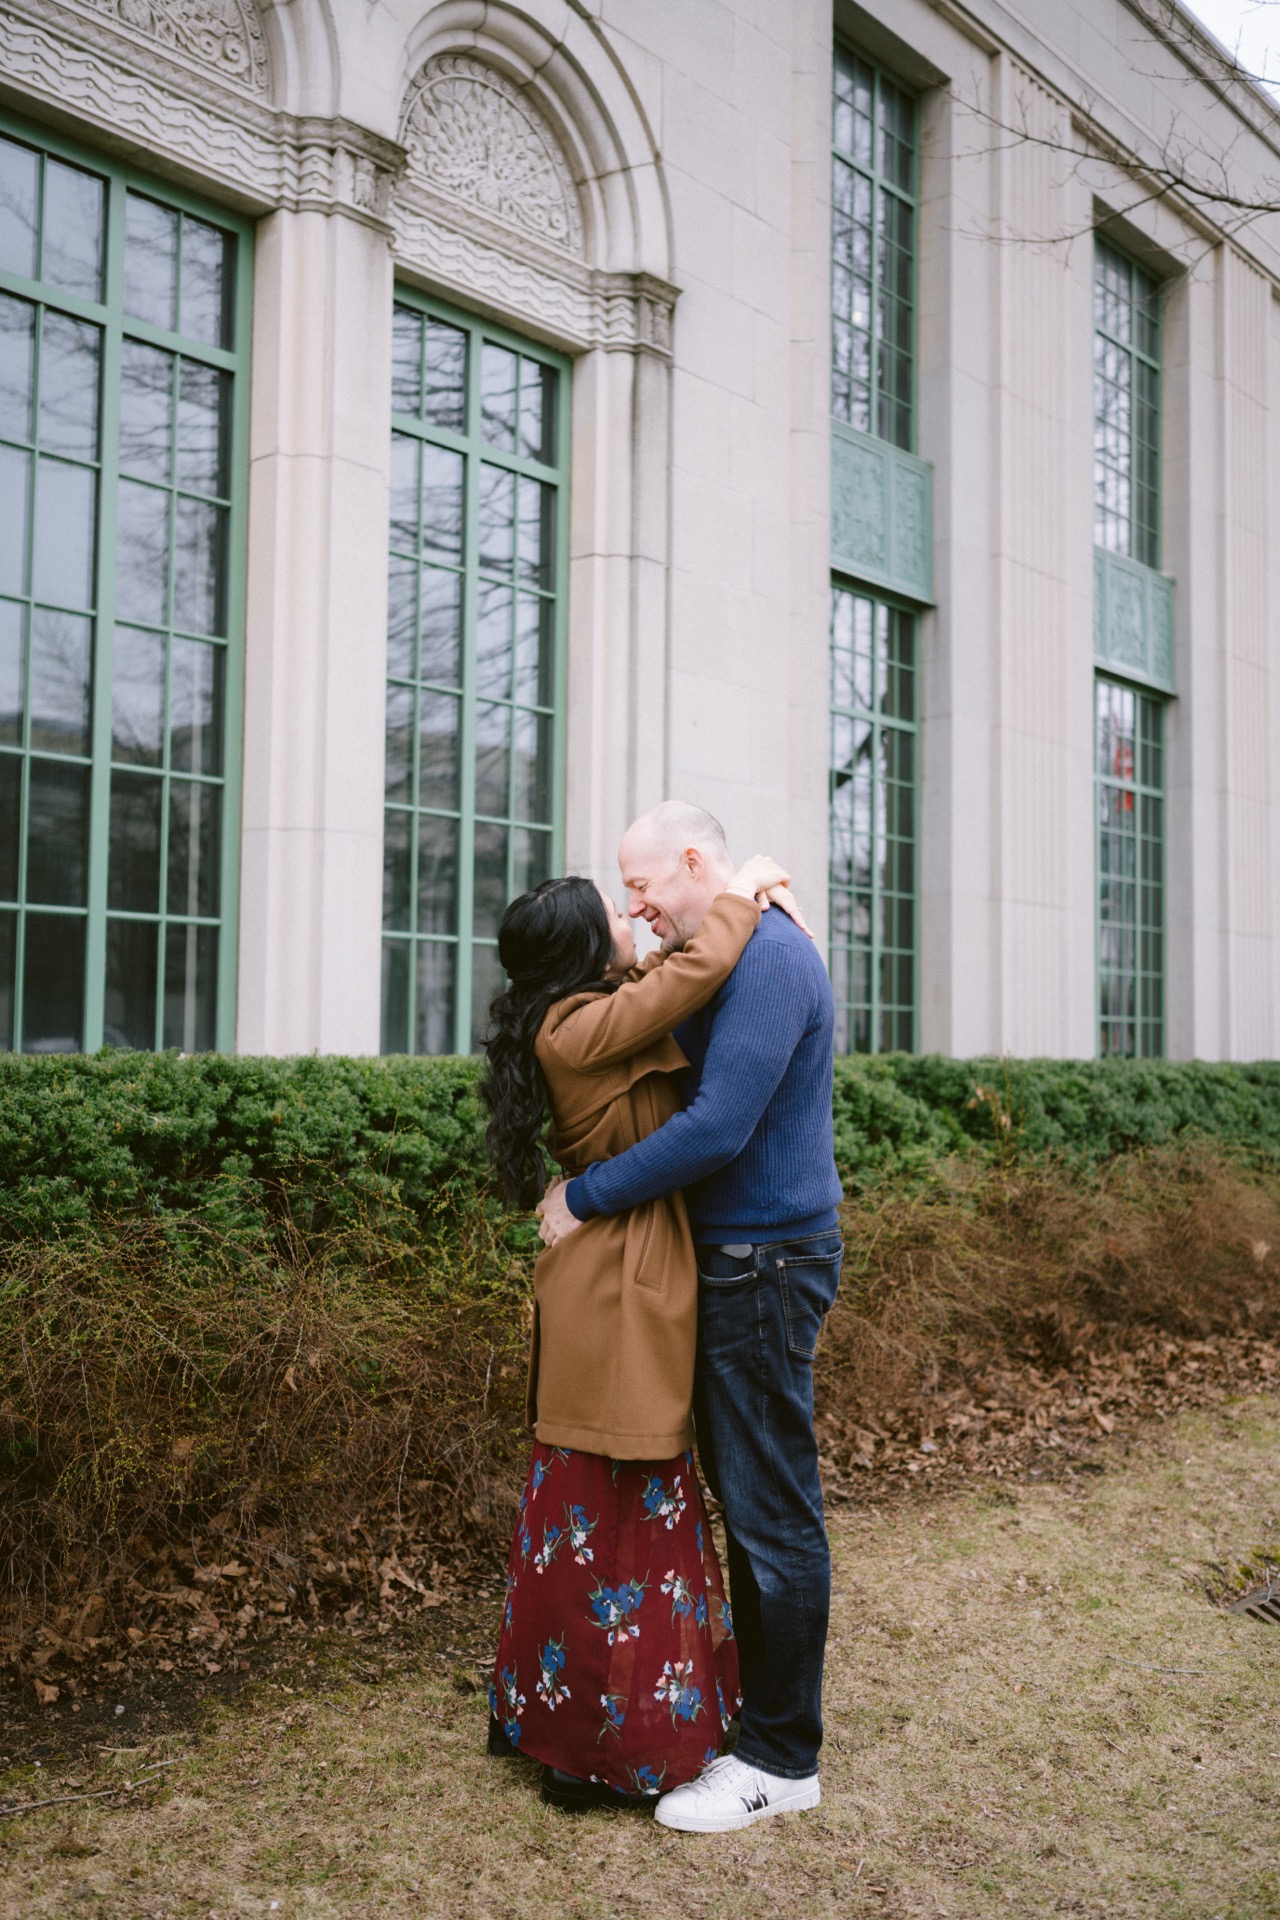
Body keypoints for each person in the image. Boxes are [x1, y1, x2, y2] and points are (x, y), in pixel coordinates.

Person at [536, 801, 843, 1834]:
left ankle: (777, 1761)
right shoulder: (730, 944)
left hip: (763, 1258)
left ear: (693, 862)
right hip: (736, 1256)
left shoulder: (766, 962)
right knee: (750, 1498)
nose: (634, 907)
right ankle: (757, 1725)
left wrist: (585, 1196)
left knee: (768, 1508)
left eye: (642, 886)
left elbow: (715, 1126)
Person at [480, 852, 802, 1812]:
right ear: (585, 945)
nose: (632, 913)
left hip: (621, 1270)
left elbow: (679, 977)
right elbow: (693, 974)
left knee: (607, 1504)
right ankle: (591, 1751)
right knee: (612, 1505)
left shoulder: (589, 1009)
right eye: (612, 909)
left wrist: (762, 931)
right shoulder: (575, 1026)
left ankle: (577, 1722)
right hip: (614, 1281)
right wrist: (746, 892)